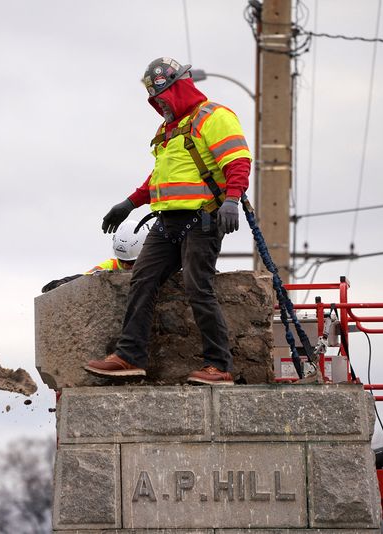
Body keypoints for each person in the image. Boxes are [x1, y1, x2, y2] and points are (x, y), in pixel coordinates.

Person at [83, 57, 251, 385]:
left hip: (202, 218)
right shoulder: (168, 129)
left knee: (197, 286)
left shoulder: (214, 117)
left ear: (176, 87)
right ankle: (129, 357)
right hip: (167, 221)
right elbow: (160, 178)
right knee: (142, 279)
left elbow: (237, 160)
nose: (158, 105)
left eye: (161, 97)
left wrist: (231, 200)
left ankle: (219, 365)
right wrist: (129, 204)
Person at [41, 219, 150, 293]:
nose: (125, 265)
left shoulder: (153, 263)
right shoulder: (112, 265)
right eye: (122, 260)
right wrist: (65, 281)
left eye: (131, 262)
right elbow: (87, 277)